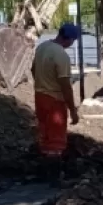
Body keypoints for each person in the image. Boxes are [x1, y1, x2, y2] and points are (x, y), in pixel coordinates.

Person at [32, 23, 80, 158]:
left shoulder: (42, 47)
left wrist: (42, 82)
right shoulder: (61, 55)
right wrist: (73, 111)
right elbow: (65, 86)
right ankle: (53, 172)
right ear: (70, 39)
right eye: (73, 41)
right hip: (55, 101)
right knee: (55, 140)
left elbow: (33, 69)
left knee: (44, 135)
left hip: (40, 97)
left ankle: (43, 168)